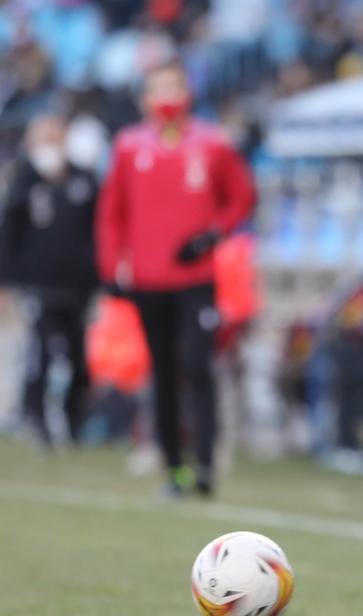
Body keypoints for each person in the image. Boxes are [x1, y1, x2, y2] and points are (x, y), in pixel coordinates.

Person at [96, 61, 256, 497]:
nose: (167, 96)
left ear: (188, 92)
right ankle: (174, 470)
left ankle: (205, 465)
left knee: (197, 367)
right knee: (163, 374)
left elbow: (242, 199)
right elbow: (112, 213)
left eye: (174, 86)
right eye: (158, 87)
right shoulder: (129, 146)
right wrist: (112, 269)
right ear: (144, 97)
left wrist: (213, 235)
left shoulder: (213, 144)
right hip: (148, 282)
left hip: (196, 278)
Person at [0, 114, 99, 449]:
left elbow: (96, 231)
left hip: (78, 285)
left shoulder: (83, 180)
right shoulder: (23, 183)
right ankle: (36, 419)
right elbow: (9, 235)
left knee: (77, 356)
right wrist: (7, 282)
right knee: (40, 354)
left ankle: (74, 420)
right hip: (37, 284)